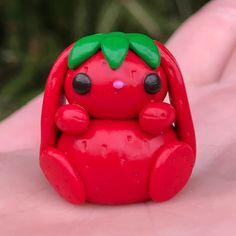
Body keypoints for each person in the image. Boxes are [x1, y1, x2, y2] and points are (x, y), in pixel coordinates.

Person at [0, 0, 236, 235]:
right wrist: (68, 119)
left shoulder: (152, 111)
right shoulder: (77, 114)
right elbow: (60, 121)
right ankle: (69, 179)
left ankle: (163, 180)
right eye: (83, 83)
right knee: (59, 156)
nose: (118, 83)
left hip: (153, 160)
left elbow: (172, 117)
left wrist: (160, 118)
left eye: (149, 82)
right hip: (80, 166)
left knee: (169, 155)